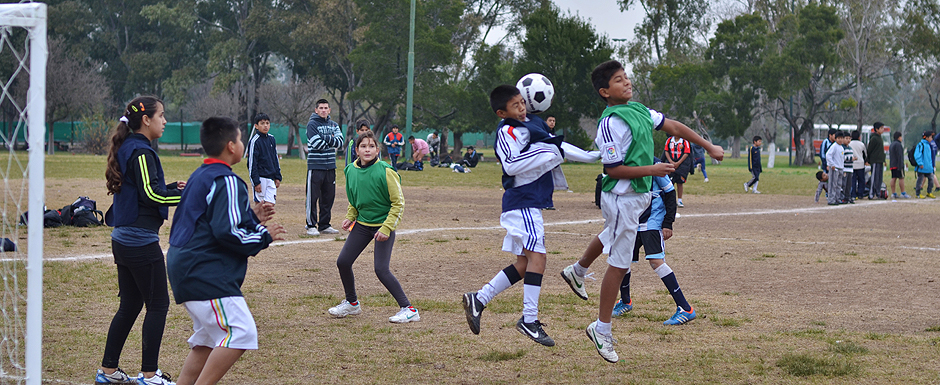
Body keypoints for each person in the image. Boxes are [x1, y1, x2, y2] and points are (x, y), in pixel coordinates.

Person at [570, 60, 722, 363]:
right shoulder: (610, 123)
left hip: (636, 199)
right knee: (619, 263)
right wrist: (652, 168)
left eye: (626, 77)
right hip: (620, 198)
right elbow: (612, 168)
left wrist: (708, 145)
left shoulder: (639, 110)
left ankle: (578, 270)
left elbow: (675, 127)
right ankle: (601, 328)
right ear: (604, 92)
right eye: (618, 80)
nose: (626, 82)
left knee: (613, 246)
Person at [461, 84, 598, 348]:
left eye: (522, 102)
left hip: (529, 203)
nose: (522, 108)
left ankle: (478, 299)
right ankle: (529, 320)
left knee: (525, 264)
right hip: (522, 202)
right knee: (539, 258)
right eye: (515, 106)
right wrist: (547, 153)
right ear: (502, 113)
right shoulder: (506, 131)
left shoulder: (533, 123)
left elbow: (559, 147)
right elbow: (511, 164)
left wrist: (593, 156)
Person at [166, 117, 286, 385]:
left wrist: (251, 217)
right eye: (241, 139)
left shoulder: (201, 174)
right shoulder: (228, 180)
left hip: (184, 266)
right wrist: (262, 236)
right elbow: (227, 232)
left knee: (208, 339)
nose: (243, 144)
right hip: (203, 271)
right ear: (231, 146)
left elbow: (212, 223)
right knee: (241, 332)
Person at [97, 96, 182, 385]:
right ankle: (149, 375)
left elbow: (143, 190)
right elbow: (151, 196)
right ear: (146, 119)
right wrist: (190, 194)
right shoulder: (142, 152)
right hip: (138, 241)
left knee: (131, 305)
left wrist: (172, 187)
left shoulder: (131, 147)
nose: (165, 121)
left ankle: (108, 372)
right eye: (162, 115)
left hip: (124, 238)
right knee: (158, 305)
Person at [327, 131, 420, 323]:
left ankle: (409, 309)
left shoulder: (386, 171)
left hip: (383, 226)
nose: (367, 150)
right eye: (363, 146)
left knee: (381, 269)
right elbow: (355, 200)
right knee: (343, 262)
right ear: (356, 150)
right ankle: (352, 304)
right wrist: (350, 217)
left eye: (371, 146)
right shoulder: (350, 171)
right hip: (362, 225)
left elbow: (398, 203)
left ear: (377, 150)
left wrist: (386, 228)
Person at [305, 99, 343, 236]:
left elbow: (340, 142)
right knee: (312, 197)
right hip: (316, 166)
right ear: (316, 110)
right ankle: (311, 225)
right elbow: (316, 144)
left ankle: (324, 224)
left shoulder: (334, 124)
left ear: (329, 110)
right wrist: (330, 138)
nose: (323, 110)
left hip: (330, 167)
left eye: (326, 108)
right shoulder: (311, 124)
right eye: (320, 108)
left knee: (328, 197)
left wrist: (326, 138)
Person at [246, 113, 282, 205]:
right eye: (262, 123)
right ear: (256, 126)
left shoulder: (271, 139)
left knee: (270, 206)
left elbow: (275, 159)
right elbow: (251, 163)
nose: (265, 126)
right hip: (261, 178)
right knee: (260, 207)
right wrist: (256, 182)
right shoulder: (255, 141)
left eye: (267, 123)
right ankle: (256, 220)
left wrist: (277, 176)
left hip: (271, 178)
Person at [663, 135, 692, 206]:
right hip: (671, 163)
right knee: (670, 183)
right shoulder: (669, 140)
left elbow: (687, 152)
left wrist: (678, 163)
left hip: (681, 165)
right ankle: (670, 200)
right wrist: (670, 161)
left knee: (680, 183)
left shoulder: (685, 141)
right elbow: (666, 151)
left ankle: (679, 200)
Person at [825, 132, 846, 205]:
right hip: (835, 168)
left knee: (839, 185)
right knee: (832, 184)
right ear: (836, 139)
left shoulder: (841, 147)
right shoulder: (834, 146)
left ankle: (837, 198)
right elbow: (828, 155)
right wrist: (832, 164)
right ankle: (831, 199)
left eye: (841, 138)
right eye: (838, 138)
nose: (840, 140)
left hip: (840, 168)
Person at [889, 131, 910, 199]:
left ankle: (893, 193)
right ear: (899, 137)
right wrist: (901, 165)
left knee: (893, 178)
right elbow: (900, 156)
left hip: (892, 164)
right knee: (901, 178)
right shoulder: (898, 144)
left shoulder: (891, 144)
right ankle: (903, 192)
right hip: (898, 164)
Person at [913, 131, 935, 198]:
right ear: (927, 137)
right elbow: (917, 155)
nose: (932, 138)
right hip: (922, 167)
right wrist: (920, 163)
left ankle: (929, 192)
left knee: (931, 179)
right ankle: (918, 193)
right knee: (920, 180)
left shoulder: (929, 145)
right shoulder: (921, 145)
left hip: (928, 167)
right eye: (931, 137)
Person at [867, 123, 886, 199]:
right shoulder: (874, 138)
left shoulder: (880, 138)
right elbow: (869, 149)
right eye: (881, 128)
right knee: (874, 177)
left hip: (880, 160)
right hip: (875, 160)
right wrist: (868, 159)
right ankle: (871, 193)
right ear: (876, 129)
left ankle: (878, 192)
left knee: (879, 177)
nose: (882, 129)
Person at [849, 131, 868, 199]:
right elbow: (865, 154)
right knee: (861, 180)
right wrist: (866, 161)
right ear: (859, 137)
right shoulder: (861, 144)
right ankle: (860, 194)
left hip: (852, 164)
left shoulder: (849, 144)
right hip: (860, 164)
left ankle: (853, 194)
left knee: (853, 180)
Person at [841, 131, 857, 204]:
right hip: (844, 169)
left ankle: (848, 197)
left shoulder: (850, 148)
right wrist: (851, 158)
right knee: (843, 184)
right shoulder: (842, 148)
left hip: (850, 169)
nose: (848, 140)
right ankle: (842, 197)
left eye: (849, 138)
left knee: (849, 184)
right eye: (846, 138)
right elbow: (842, 157)